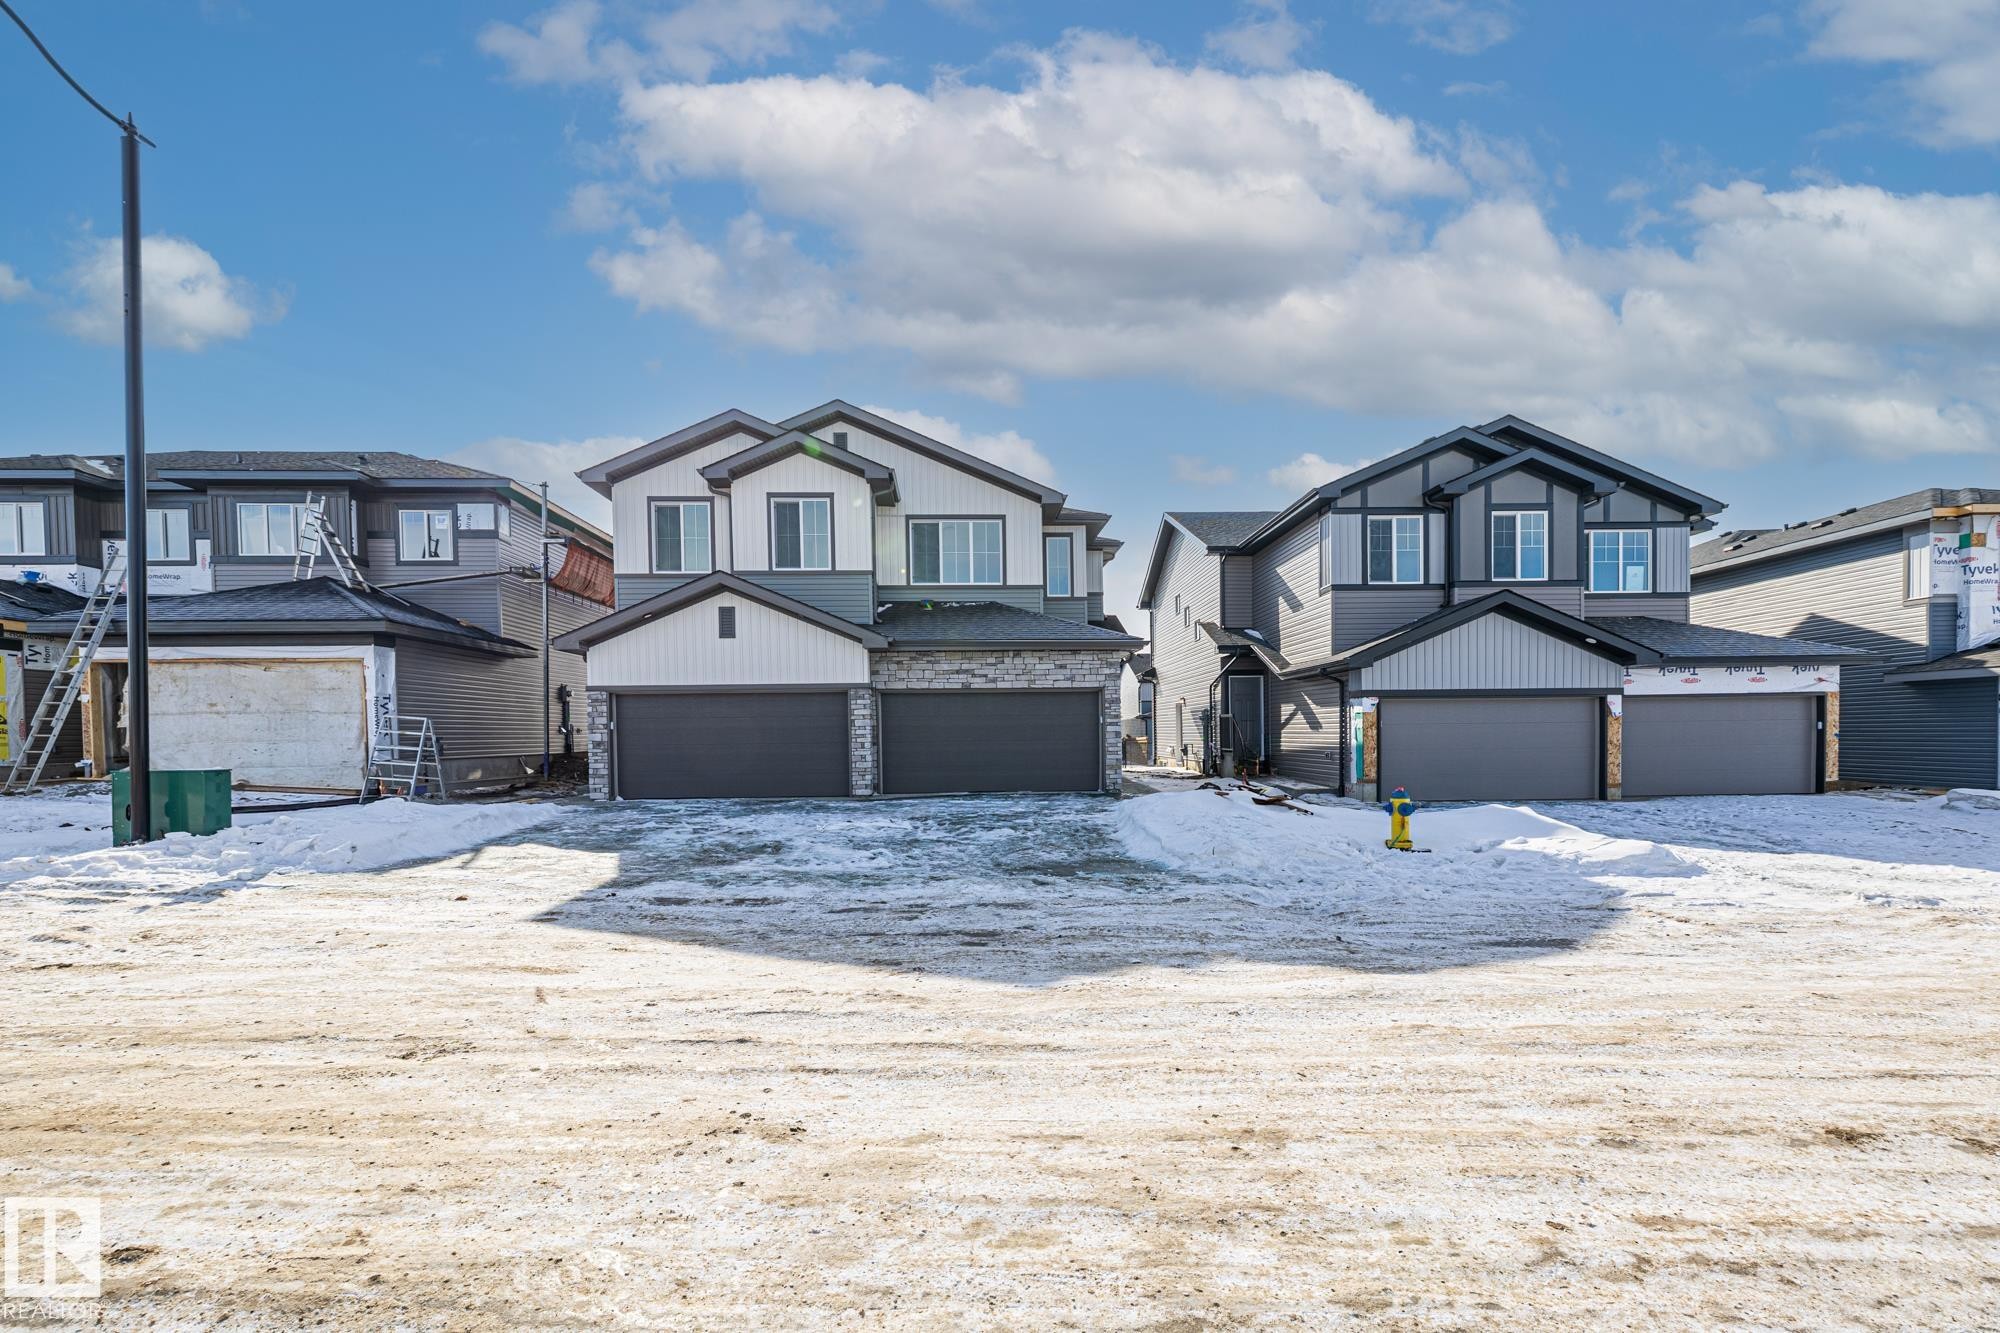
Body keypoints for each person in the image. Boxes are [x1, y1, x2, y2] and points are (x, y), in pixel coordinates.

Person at [1382, 785, 1416, 851]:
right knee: (1403, 828)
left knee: (1400, 827)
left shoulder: (1395, 799)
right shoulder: (1405, 799)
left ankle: (1399, 839)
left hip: (1400, 813)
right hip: (1404, 812)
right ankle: (1403, 839)